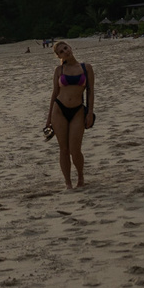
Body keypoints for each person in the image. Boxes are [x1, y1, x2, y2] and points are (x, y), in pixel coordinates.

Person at [45, 41, 93, 189]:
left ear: (70, 48)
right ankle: (68, 182)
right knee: (63, 149)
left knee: (75, 149)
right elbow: (55, 94)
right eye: (61, 51)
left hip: (78, 110)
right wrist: (48, 119)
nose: (65, 51)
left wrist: (90, 112)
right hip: (59, 111)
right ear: (59, 56)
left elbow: (90, 92)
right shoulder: (59, 70)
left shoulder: (86, 68)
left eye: (65, 48)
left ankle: (80, 177)